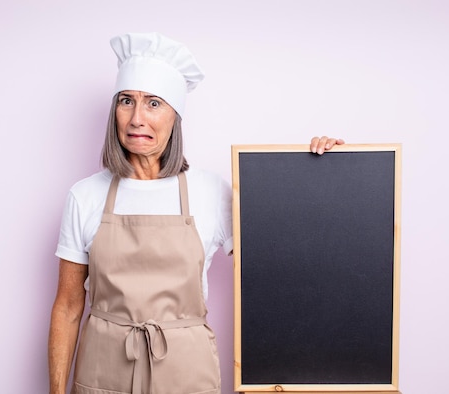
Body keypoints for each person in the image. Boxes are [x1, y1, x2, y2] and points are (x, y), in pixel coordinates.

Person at [48, 32, 344, 394]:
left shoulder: (211, 192)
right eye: (127, 101)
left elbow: (280, 271)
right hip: (102, 371)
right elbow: (67, 307)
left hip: (187, 373)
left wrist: (331, 175)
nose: (137, 118)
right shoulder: (85, 196)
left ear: (176, 116)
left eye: (154, 103)